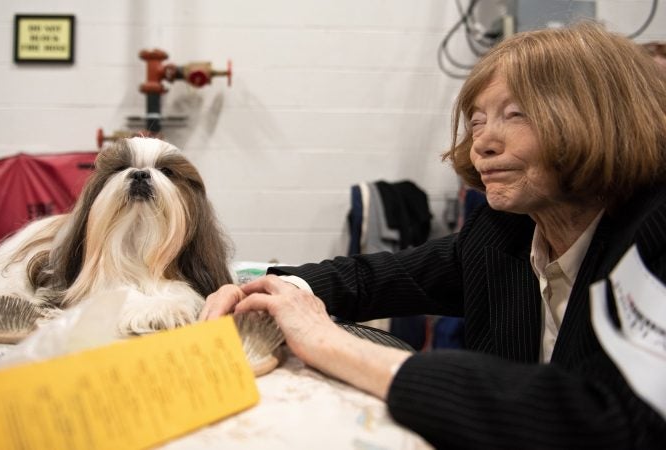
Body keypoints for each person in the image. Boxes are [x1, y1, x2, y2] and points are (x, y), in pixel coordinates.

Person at [200, 22, 666, 449]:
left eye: (515, 114)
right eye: (477, 120)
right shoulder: (504, 229)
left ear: (601, 117)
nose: (482, 142)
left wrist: (327, 342)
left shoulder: (655, 232)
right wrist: (270, 290)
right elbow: (378, 275)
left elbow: (606, 419)